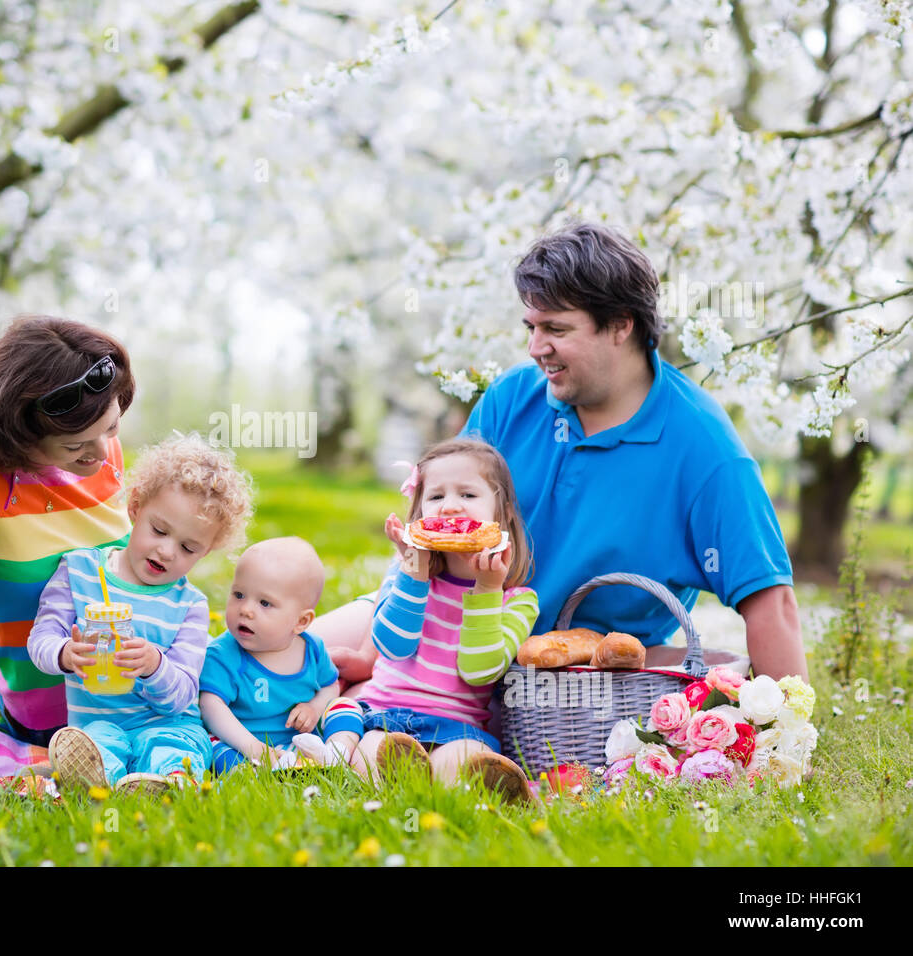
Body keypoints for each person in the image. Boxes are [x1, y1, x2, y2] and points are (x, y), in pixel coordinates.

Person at [320, 223, 806, 684]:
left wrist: (787, 733)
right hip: (448, 623)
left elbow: (768, 600)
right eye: (529, 326)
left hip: (573, 676)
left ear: (620, 325)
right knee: (279, 655)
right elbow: (432, 531)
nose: (535, 348)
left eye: (555, 328)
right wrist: (372, 650)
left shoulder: (704, 448)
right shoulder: (512, 398)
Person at [0, 316, 135, 786]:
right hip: (66, 721)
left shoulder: (97, 441)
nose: (102, 456)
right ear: (20, 441)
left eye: (113, 429)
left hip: (151, 687)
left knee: (303, 640)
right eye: (76, 447)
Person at [26, 434, 253, 796]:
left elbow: (182, 695)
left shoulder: (189, 606)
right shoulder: (80, 571)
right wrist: (65, 654)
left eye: (188, 547)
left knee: (172, 748)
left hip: (168, 723)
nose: (166, 551)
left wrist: (154, 665)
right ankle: (100, 782)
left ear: (205, 552)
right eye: (159, 530)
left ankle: (169, 782)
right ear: (135, 507)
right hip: (99, 724)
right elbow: (40, 639)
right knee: (96, 748)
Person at [346, 438, 540, 801]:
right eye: (435, 498)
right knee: (373, 751)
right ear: (418, 513)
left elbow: (479, 670)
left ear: (503, 514)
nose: (450, 507)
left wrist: (486, 589)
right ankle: (400, 781)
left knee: (459, 763)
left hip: (459, 728)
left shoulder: (517, 601)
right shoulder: (404, 575)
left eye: (467, 495)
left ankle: (468, 792)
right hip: (386, 716)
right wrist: (414, 575)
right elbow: (392, 646)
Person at [198, 537, 364, 776]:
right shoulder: (224, 654)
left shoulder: (312, 649)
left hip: (301, 744)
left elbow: (330, 686)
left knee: (347, 706)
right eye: (239, 594)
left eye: (264, 603)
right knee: (213, 743)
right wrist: (255, 749)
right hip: (245, 744)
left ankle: (333, 755)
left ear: (301, 621)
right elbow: (211, 706)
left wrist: (314, 708)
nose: (245, 609)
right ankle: (250, 772)